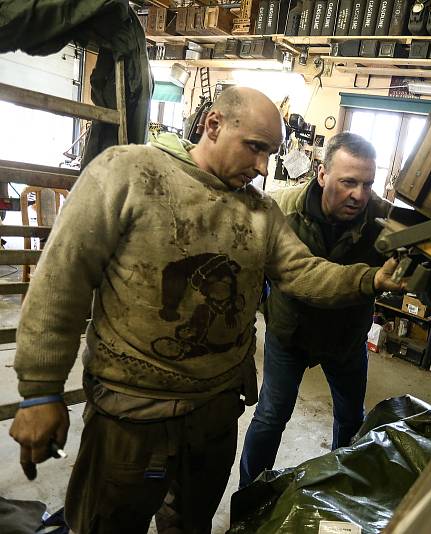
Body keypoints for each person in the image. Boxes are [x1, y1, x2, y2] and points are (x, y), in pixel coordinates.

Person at [8, 87, 402, 534]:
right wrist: (40, 391)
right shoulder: (128, 173)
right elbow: (62, 279)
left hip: (215, 413)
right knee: (108, 524)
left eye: (269, 153)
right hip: (133, 414)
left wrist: (369, 280)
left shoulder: (261, 212)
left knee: (191, 523)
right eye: (255, 148)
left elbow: (303, 272)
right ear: (213, 125)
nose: (261, 167)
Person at [238, 132, 391, 487]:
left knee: (352, 419)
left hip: (347, 337)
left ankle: (341, 489)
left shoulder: (382, 218)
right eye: (348, 182)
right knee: (271, 417)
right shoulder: (282, 210)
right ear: (322, 174)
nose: (359, 195)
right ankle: (250, 497)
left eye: (367, 184)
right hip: (290, 334)